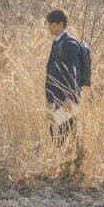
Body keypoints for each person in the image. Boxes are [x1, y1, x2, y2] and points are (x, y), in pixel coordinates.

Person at [44, 9, 83, 146]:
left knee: (62, 135)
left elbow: (74, 73)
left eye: (50, 23)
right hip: (56, 98)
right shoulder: (57, 42)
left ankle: (68, 163)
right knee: (57, 132)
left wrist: (69, 98)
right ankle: (70, 161)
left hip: (65, 99)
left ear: (59, 24)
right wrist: (49, 99)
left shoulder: (69, 44)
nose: (48, 26)